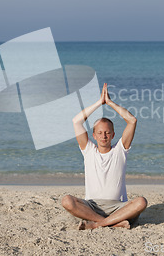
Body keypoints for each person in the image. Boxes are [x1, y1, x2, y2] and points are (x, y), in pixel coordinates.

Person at [61, 83, 147, 229]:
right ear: (93, 135)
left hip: (119, 207)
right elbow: (76, 121)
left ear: (113, 134)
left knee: (141, 202)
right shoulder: (88, 150)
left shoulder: (120, 150)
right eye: (100, 133)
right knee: (67, 201)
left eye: (107, 132)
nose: (104, 136)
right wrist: (99, 103)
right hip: (92, 206)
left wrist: (110, 103)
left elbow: (132, 120)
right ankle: (113, 223)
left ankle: (98, 224)